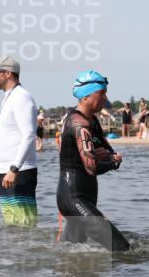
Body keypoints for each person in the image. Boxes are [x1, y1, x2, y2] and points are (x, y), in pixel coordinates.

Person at [56, 71, 131, 252]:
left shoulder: (93, 121)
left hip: (87, 196)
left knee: (70, 253)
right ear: (86, 95)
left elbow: (107, 150)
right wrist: (112, 162)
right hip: (73, 197)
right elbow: (92, 167)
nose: (105, 99)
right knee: (121, 248)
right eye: (101, 94)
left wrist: (108, 156)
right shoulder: (79, 125)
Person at [0, 56, 38, 226]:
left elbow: (29, 134)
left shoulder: (22, 97)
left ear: (8, 73)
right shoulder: (8, 97)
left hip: (19, 172)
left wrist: (14, 168)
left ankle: (30, 252)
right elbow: (9, 137)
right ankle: (15, 253)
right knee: (11, 223)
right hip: (6, 170)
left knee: (24, 223)